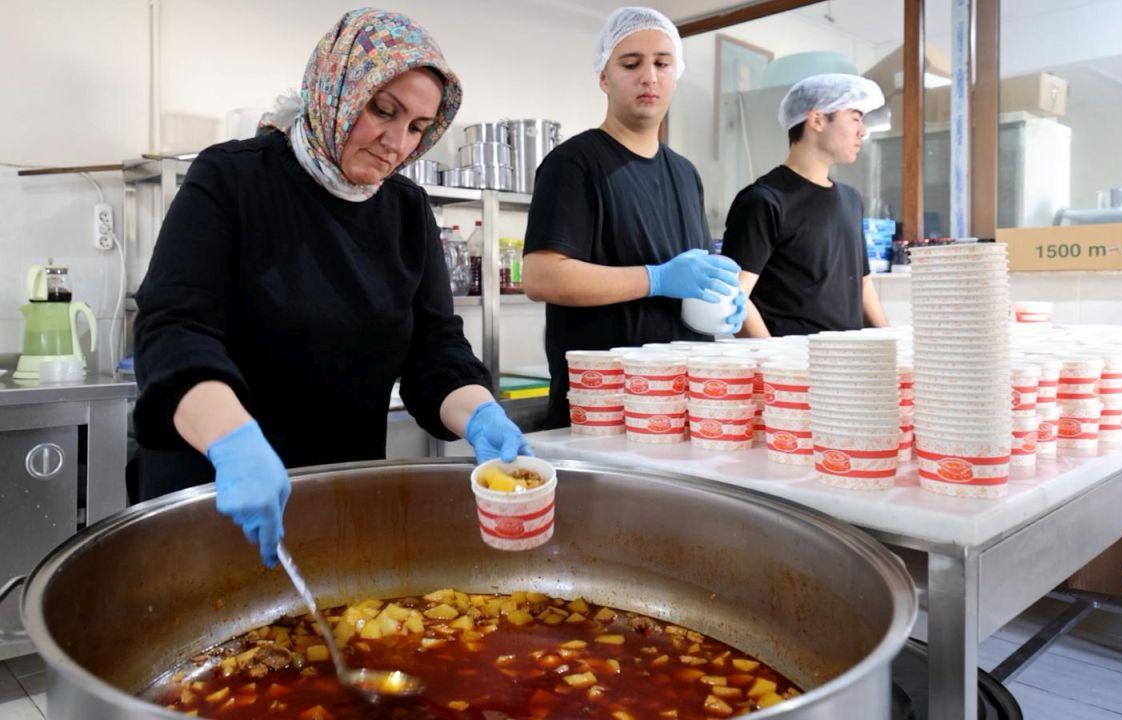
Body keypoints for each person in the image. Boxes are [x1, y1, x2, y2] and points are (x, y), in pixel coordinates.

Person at [132, 8, 530, 568]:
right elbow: (172, 328)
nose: (397, 143)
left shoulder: (407, 211)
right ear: (335, 87)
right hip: (216, 487)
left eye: (417, 127)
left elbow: (433, 349)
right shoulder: (233, 179)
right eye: (382, 110)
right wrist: (233, 443)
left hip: (338, 494)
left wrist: (482, 415)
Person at [521, 6, 746, 429]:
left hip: (680, 402)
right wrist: (656, 279)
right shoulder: (574, 163)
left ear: (674, 76)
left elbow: (689, 272)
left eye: (662, 63)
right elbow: (540, 276)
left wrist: (722, 300)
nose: (649, 76)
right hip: (602, 408)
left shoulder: (685, 173)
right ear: (604, 78)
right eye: (631, 63)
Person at [721, 74, 890, 337]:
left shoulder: (851, 200)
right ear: (817, 120)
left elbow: (862, 284)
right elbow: (735, 296)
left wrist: (890, 345)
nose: (863, 130)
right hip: (790, 370)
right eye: (855, 118)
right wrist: (777, 364)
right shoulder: (763, 201)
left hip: (849, 367)